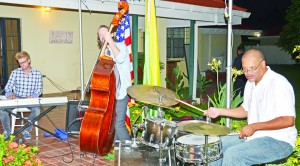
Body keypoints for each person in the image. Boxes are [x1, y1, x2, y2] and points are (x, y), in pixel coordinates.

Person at [205, 49, 297, 165]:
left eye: (252, 68)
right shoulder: (250, 83)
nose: (248, 73)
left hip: (279, 141)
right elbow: (245, 110)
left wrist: (254, 126)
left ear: (263, 64)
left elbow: (288, 120)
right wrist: (219, 111)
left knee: (234, 155)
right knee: (215, 146)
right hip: (256, 137)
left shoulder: (278, 84)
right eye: (244, 69)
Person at [97, 25, 132, 142]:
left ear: (111, 34)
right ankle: (117, 147)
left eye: (105, 34)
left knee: (119, 124)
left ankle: (129, 150)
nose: (103, 37)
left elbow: (121, 58)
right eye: (100, 35)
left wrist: (110, 41)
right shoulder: (104, 52)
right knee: (112, 122)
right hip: (110, 92)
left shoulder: (121, 46)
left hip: (121, 91)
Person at [0, 51, 43, 140]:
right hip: (17, 98)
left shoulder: (37, 73)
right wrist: (10, 94)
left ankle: (25, 130)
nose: (22, 65)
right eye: (20, 63)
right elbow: (8, 87)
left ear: (29, 60)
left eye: (24, 62)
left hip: (30, 99)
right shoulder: (15, 73)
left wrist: (34, 96)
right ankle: (7, 131)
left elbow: (39, 89)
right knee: (2, 109)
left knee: (37, 110)